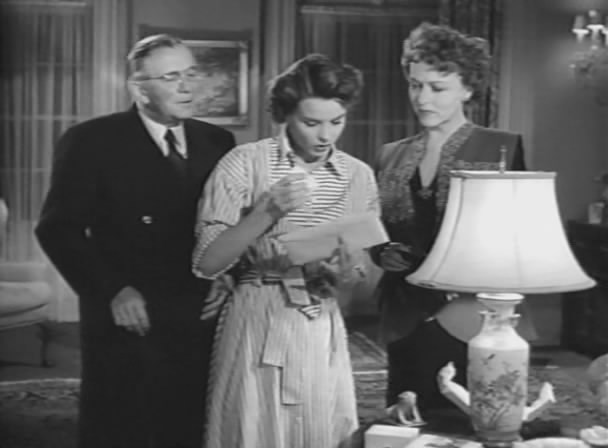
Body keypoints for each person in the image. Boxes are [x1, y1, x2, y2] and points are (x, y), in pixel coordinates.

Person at [35, 34, 235, 448]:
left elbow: (225, 223)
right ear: (139, 88)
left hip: (196, 309)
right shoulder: (91, 141)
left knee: (188, 421)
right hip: (127, 312)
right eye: (171, 77)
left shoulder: (217, 142)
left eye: (192, 73)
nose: (187, 86)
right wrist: (112, 290)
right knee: (124, 425)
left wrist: (225, 273)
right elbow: (57, 229)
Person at [193, 53, 379, 448]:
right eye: (311, 123)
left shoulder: (358, 175)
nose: (325, 136)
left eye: (337, 121)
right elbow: (208, 262)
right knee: (253, 428)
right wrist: (266, 212)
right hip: (258, 317)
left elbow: (360, 274)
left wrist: (348, 270)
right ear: (285, 116)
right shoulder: (245, 163)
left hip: (319, 319)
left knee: (317, 429)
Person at [371, 22, 533, 417]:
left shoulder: (500, 148)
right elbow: (375, 228)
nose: (422, 98)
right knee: (404, 419)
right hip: (404, 311)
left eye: (437, 88)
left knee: (463, 417)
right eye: (415, 85)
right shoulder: (390, 154)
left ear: (468, 89)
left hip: (469, 313)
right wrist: (380, 252)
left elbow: (516, 237)